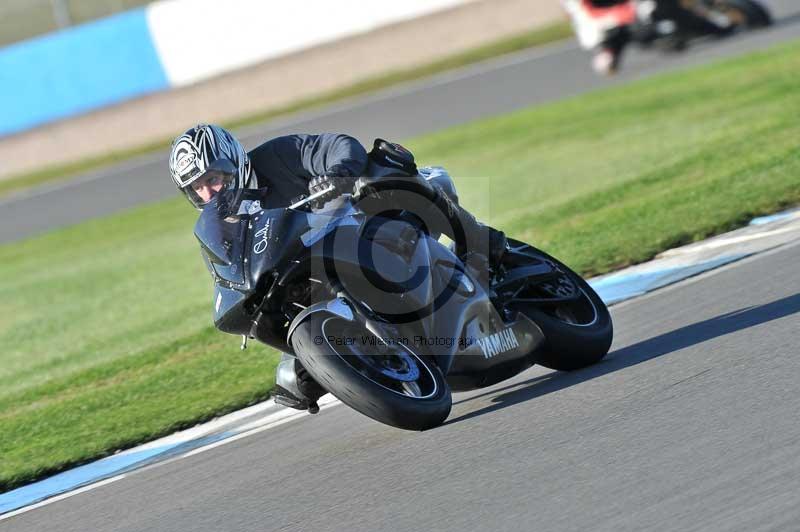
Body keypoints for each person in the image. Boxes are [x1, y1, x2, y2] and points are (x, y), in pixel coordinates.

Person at [169, 124, 507, 412]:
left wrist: (338, 174)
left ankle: (478, 241)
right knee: (294, 380)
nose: (208, 192)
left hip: (363, 226)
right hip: (315, 278)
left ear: (235, 161)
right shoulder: (223, 224)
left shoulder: (277, 156)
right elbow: (228, 269)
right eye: (196, 188)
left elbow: (338, 146)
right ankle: (370, 357)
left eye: (213, 178)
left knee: (387, 165)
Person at [562, 0, 732, 74]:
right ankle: (716, 28)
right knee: (606, 60)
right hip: (611, 26)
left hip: (634, 12)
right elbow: (587, 16)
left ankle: (714, 22)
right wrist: (627, 11)